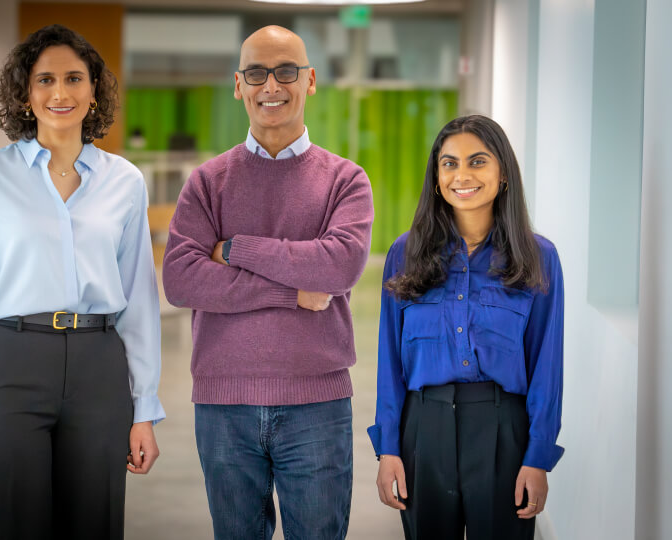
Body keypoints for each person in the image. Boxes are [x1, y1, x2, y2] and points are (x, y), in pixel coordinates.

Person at [0, 24, 164, 540]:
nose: (60, 93)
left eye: (74, 78)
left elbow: (140, 301)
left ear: (94, 89)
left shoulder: (125, 181)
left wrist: (144, 408)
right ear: (25, 92)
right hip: (10, 362)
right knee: (4, 521)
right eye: (45, 80)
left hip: (99, 365)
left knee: (93, 522)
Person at [162, 25, 374, 540]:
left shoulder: (346, 180)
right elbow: (180, 279)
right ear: (239, 84)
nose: (271, 85)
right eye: (256, 73)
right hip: (223, 405)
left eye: (285, 71)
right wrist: (288, 290)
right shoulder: (208, 182)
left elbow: (338, 267)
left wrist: (234, 248)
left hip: (317, 405)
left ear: (310, 80)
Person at [369, 115, 564, 540]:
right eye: (449, 163)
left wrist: (537, 457)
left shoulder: (538, 257)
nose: (462, 175)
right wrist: (388, 448)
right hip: (424, 428)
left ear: (503, 173)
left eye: (477, 161)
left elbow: (547, 367)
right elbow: (390, 362)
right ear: (436, 178)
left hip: (504, 433)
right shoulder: (406, 253)